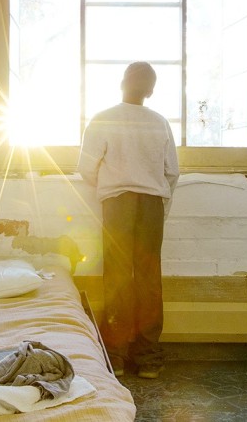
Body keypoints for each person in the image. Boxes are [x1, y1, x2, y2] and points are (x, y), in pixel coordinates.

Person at [77, 61, 180, 379]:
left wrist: (111, 189)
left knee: (118, 276)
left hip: (117, 203)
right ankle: (148, 358)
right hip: (150, 204)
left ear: (122, 83)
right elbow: (172, 171)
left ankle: (117, 357)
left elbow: (86, 168)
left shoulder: (103, 118)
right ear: (151, 90)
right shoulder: (159, 122)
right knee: (148, 277)